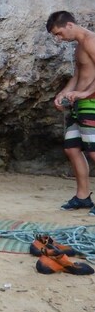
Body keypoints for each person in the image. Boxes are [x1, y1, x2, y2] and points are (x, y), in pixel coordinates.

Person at [46, 11, 95, 215]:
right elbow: (78, 75)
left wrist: (84, 94)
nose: (59, 39)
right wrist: (63, 94)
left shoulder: (91, 41)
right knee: (72, 148)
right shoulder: (79, 45)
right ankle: (83, 197)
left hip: (91, 103)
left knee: (93, 150)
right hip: (80, 103)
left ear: (70, 25)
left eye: (58, 34)